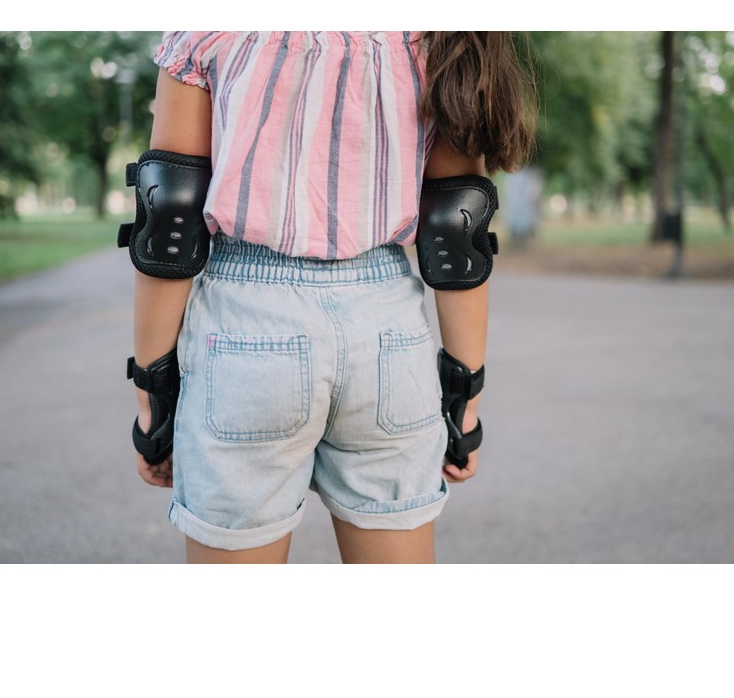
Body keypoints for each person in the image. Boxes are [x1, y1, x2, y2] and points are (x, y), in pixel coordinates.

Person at [122, 31, 536, 564]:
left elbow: (170, 215)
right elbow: (457, 227)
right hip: (389, 338)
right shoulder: (435, 37)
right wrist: (463, 404)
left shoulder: (208, 30)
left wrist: (153, 398)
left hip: (248, 330)